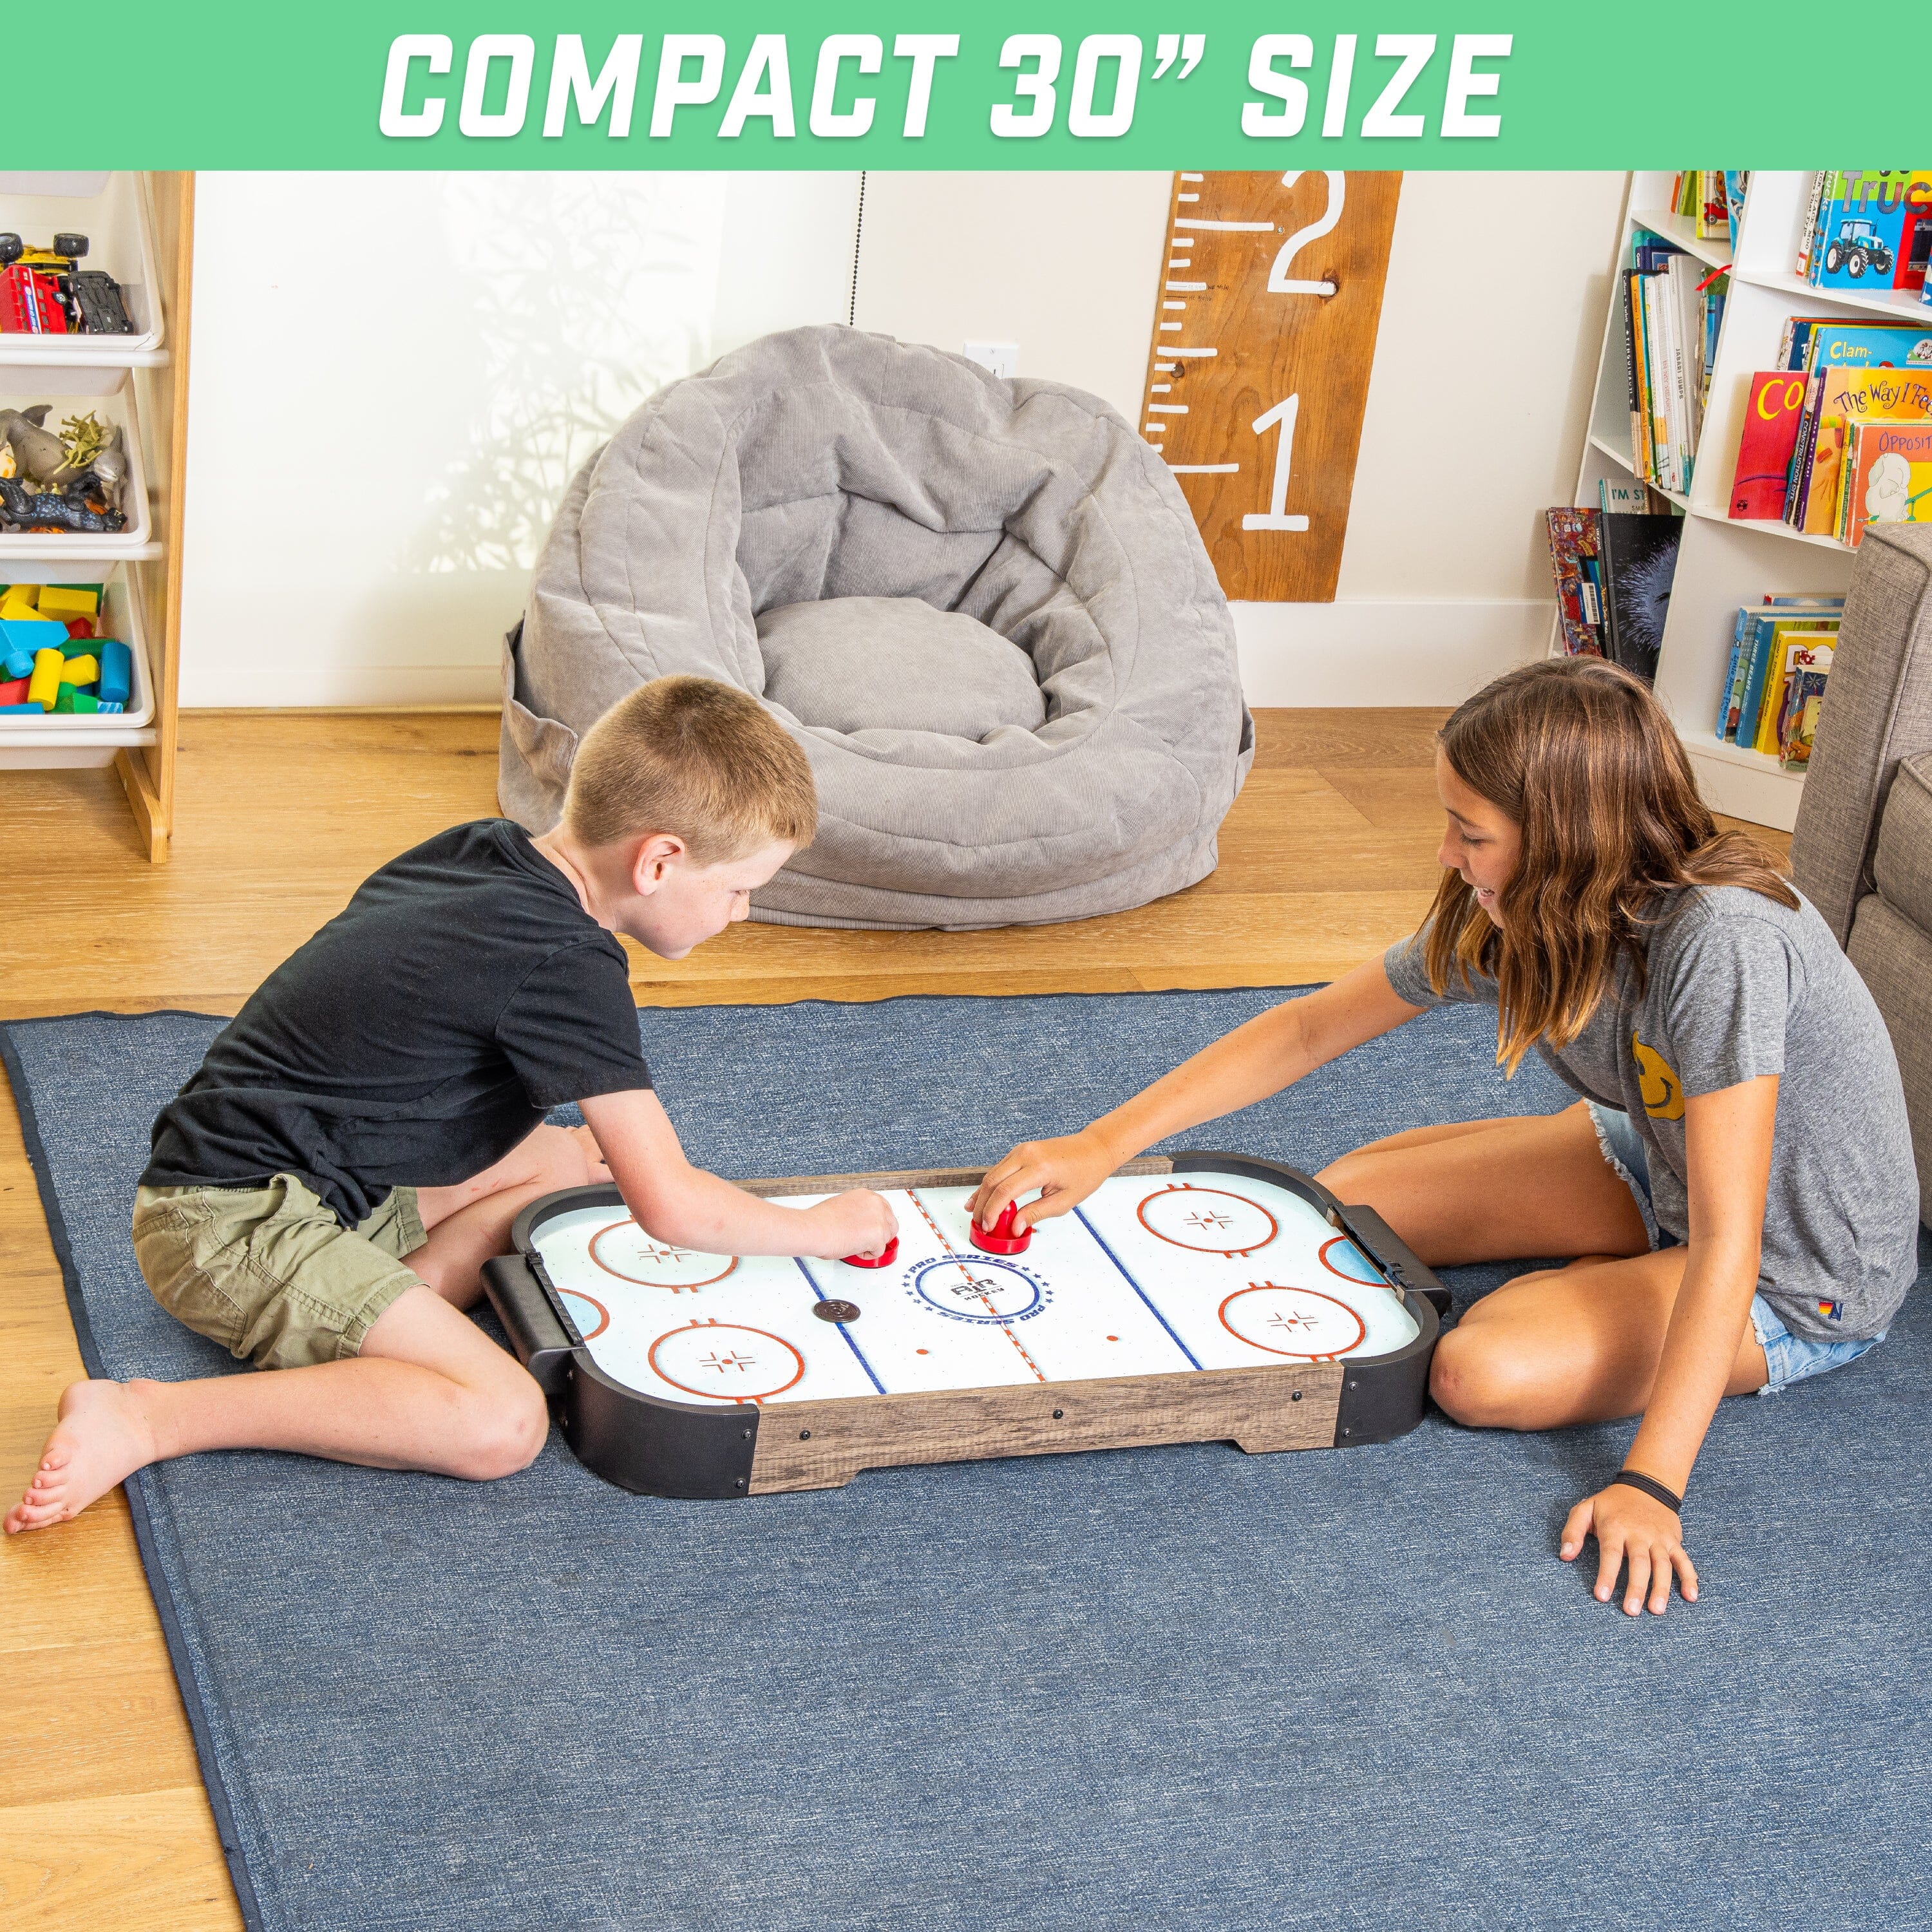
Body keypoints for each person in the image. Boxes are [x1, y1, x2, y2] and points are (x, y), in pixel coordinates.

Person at [969, 658, 1918, 1616]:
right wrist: (1102, 1143)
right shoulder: (1528, 910)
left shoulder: (1723, 944)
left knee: (1477, 1370)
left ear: (1566, 843)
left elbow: (1730, 1240)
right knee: (1339, 1209)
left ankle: (1609, 1286)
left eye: (1471, 833)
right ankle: (1614, 1272)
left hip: (1798, 1271)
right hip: (1659, 1156)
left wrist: (1652, 1484)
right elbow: (1309, 1028)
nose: (1445, 855)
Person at [7, 676, 896, 1534]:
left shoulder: (487, 849)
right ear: (660, 860)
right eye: (741, 887)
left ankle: (390, 1302)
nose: (741, 913)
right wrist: (823, 1229)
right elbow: (669, 1207)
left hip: (302, 1168)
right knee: (502, 1422)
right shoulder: (569, 966)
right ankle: (152, 1418)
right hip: (229, 1228)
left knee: (582, 1163)